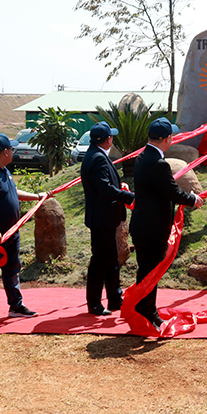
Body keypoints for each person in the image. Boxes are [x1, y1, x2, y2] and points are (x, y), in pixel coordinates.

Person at [129, 117, 202, 330]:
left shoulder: (143, 156)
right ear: (167, 138)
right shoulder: (159, 163)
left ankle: (144, 310)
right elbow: (171, 190)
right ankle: (148, 314)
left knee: (146, 271)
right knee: (150, 272)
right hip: (152, 228)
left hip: (143, 224)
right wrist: (192, 199)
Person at [0, 133, 45, 325]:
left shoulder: (3, 170)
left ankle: (16, 305)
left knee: (12, 269)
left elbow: (12, 192)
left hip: (11, 232)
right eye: (11, 149)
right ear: (6, 152)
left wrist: (37, 196)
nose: (13, 151)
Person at [81, 121, 135, 316]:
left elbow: (104, 184)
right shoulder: (97, 158)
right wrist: (128, 196)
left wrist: (119, 186)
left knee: (111, 260)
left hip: (105, 218)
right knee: (100, 262)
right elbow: (104, 189)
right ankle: (94, 303)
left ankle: (114, 299)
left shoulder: (95, 155)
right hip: (101, 219)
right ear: (108, 139)